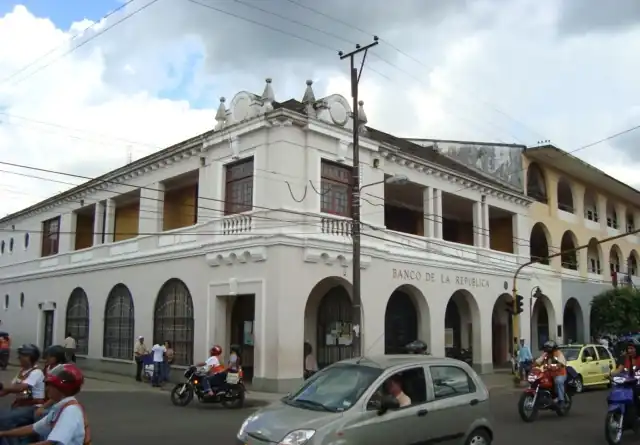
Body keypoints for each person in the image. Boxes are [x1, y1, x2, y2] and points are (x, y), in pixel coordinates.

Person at [0, 363, 90, 445]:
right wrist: (3, 433)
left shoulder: (70, 411)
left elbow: (52, 443)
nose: (46, 389)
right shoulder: (59, 407)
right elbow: (33, 428)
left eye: (50, 385)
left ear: (61, 388)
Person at [0, 344, 45, 443]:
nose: (19, 358)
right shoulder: (22, 372)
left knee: (4, 420)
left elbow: (22, 388)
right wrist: (3, 390)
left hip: (33, 408)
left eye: (21, 355)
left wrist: (2, 386)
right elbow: (10, 389)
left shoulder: (36, 372)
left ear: (30, 357)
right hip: (20, 406)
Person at [35, 345, 70, 420]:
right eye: (47, 356)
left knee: (39, 415)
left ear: (57, 357)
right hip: (44, 398)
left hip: (56, 403)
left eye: (50, 356)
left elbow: (57, 395)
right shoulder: (47, 367)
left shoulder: (61, 370)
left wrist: (43, 407)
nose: (47, 358)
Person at [535, 340, 567, 407]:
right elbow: (538, 361)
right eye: (546, 349)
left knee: (558, 381)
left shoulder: (558, 353)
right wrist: (532, 365)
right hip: (549, 374)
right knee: (539, 380)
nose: (546, 350)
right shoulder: (546, 354)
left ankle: (561, 400)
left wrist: (553, 366)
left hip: (559, 374)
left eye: (548, 349)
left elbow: (562, 363)